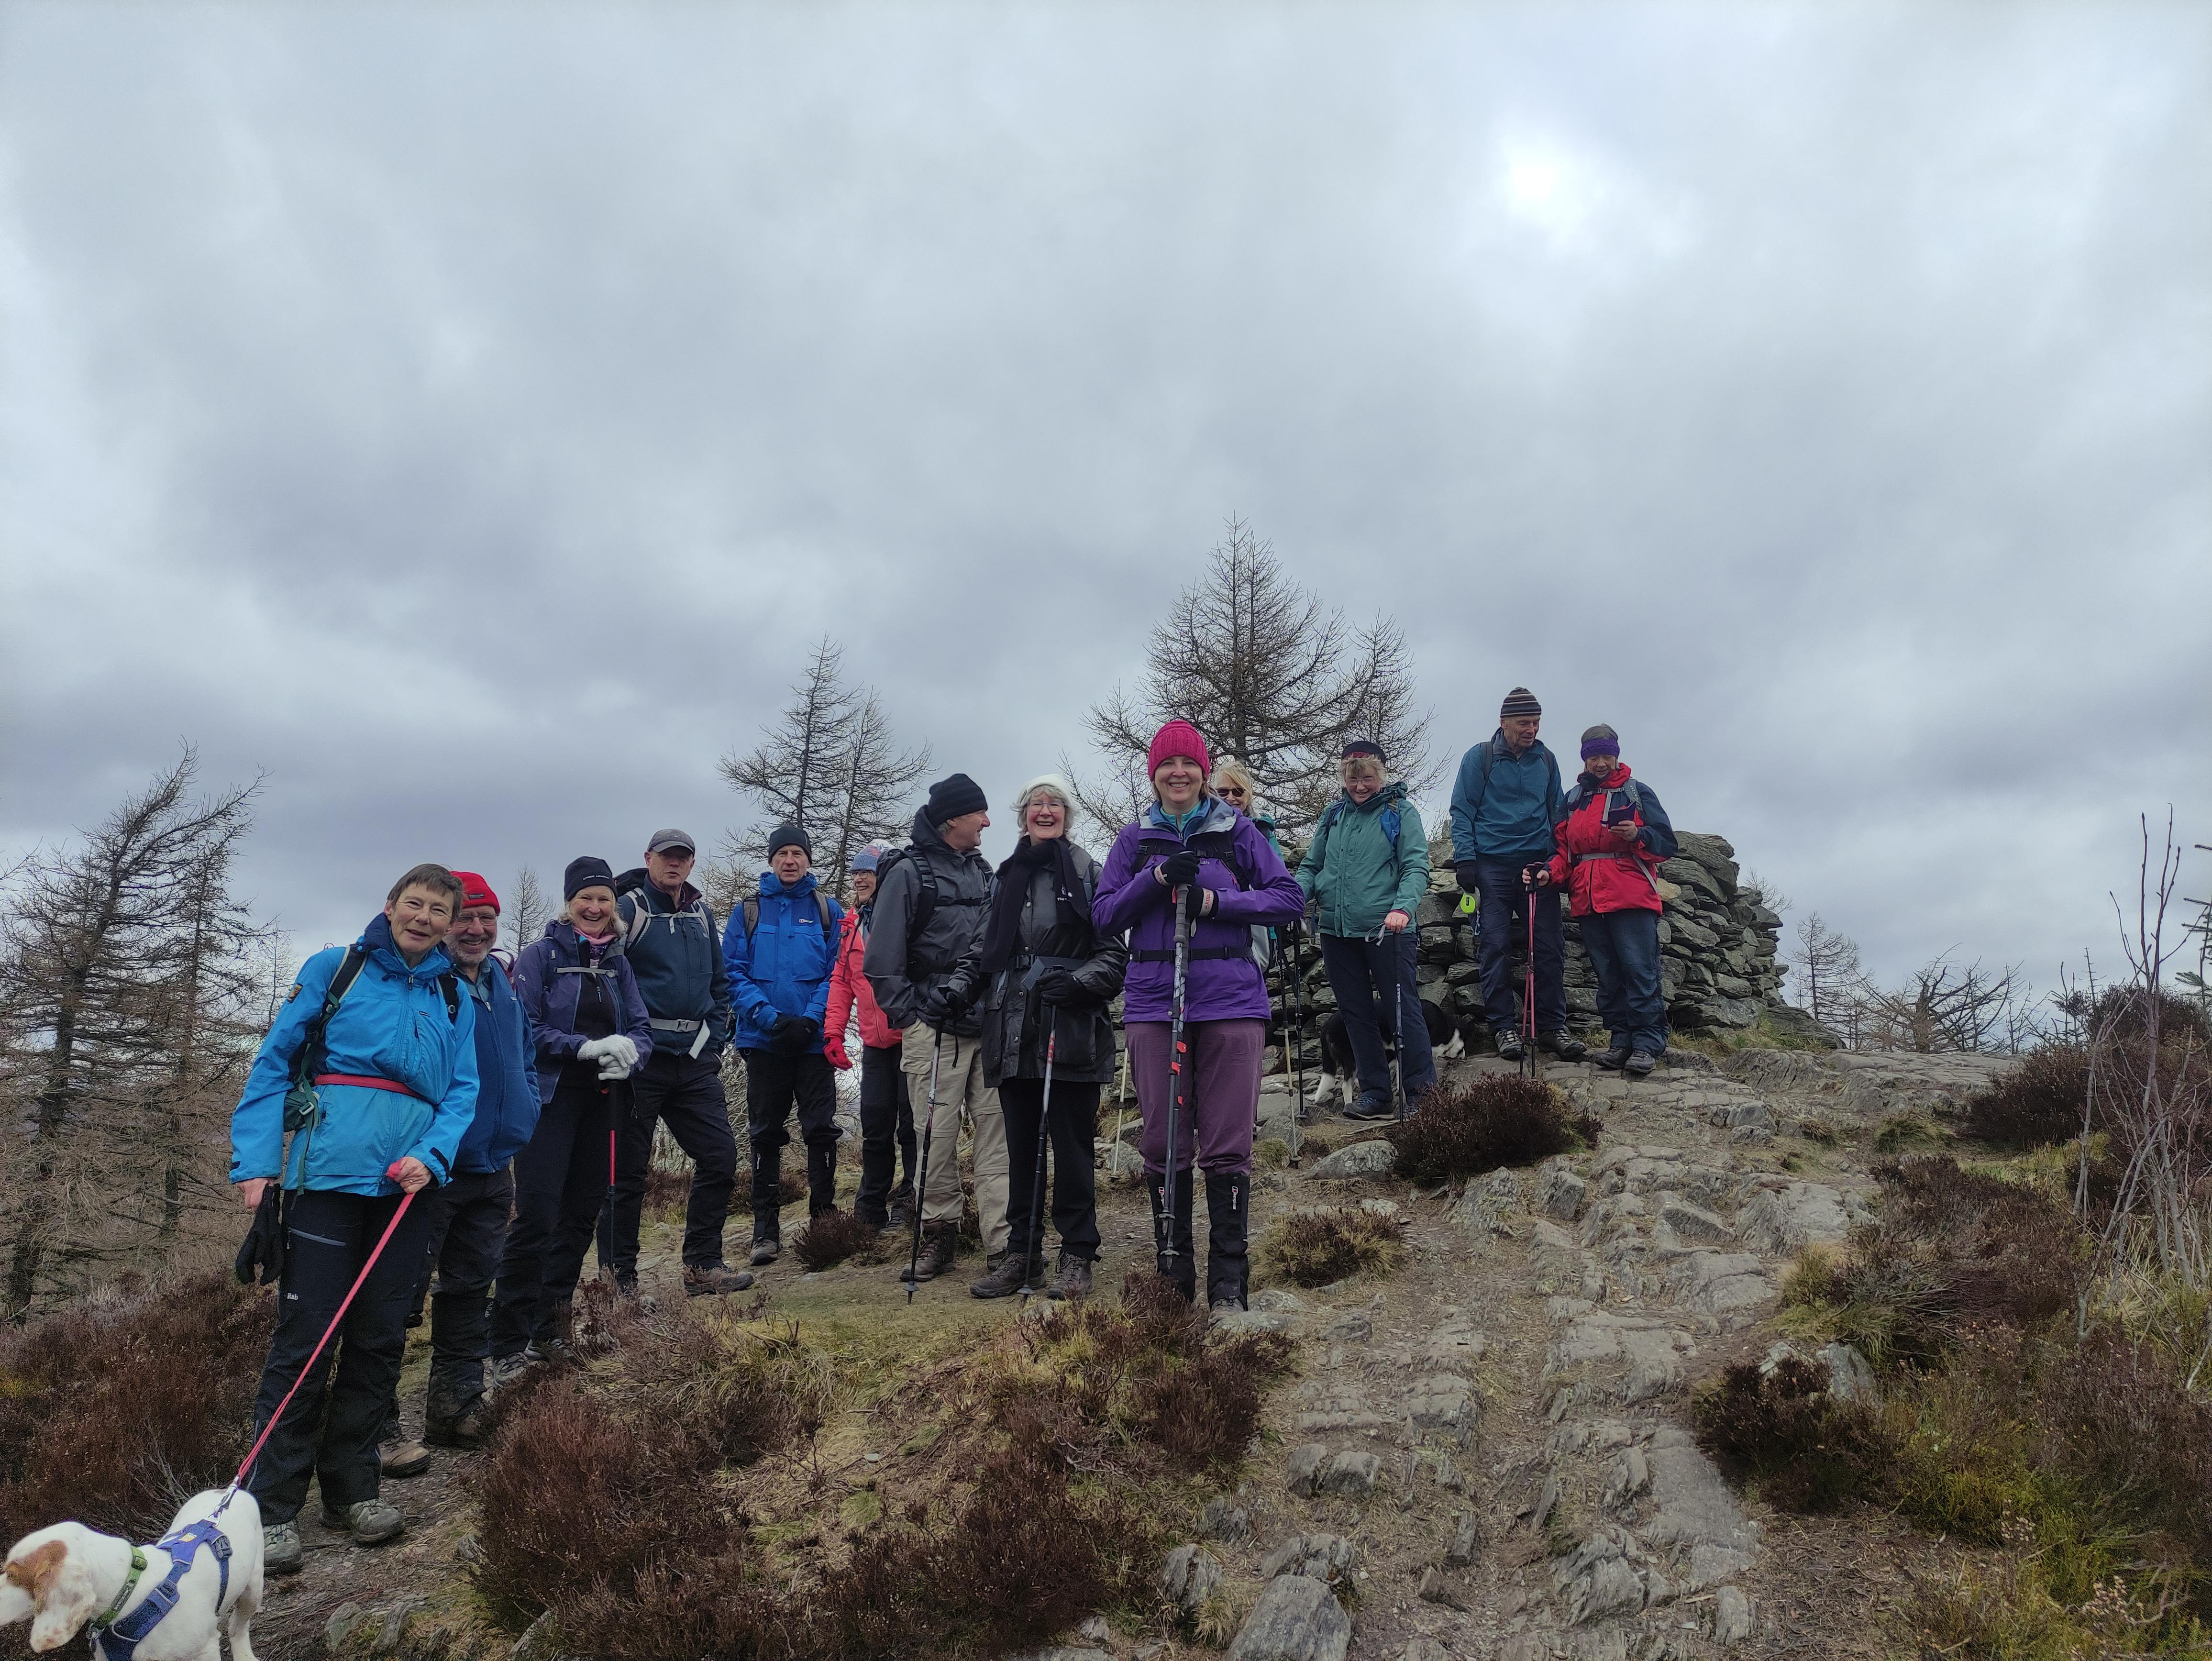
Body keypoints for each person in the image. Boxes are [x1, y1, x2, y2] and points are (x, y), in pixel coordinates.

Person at [230, 864, 480, 1573]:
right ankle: (269, 1509)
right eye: (415, 904)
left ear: (450, 921)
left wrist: (432, 1154)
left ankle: (352, 1491)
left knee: (377, 1340)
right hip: (326, 1177)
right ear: (391, 906)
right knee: (305, 1340)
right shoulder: (335, 970)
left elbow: (462, 1092)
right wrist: (257, 1164)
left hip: (408, 1189)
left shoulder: (454, 997)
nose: (425, 917)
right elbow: (275, 1061)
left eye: (438, 909)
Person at [1093, 721, 1305, 1309]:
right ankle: (1173, 1270)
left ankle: (1228, 1277)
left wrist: (1217, 902)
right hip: (1154, 1004)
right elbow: (1104, 915)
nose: (1179, 774)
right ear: (1153, 774)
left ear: (1204, 772)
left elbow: (1288, 898)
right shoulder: (1134, 839)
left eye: (1189, 764)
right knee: (1163, 1140)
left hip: (1232, 1001)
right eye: (1168, 766)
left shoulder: (1237, 832)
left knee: (1228, 1142)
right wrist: (1156, 878)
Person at [378, 873, 540, 1479]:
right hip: (431, 1169)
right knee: (399, 1296)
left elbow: (523, 1055)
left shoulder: (502, 980)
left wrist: (528, 1103)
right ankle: (378, 1421)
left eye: (486, 917)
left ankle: (455, 1405)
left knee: (471, 1288)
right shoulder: (428, 983)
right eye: (466, 916)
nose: (476, 928)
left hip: (495, 1166)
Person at [953, 775, 1128, 1302]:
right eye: (1036, 803)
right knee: (1020, 1148)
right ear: (1023, 814)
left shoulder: (1088, 872)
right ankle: (1022, 1257)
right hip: (1010, 1029)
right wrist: (958, 988)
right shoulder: (1003, 877)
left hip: (1069, 1029)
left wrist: (1076, 983)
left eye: (1054, 803)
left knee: (1072, 1150)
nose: (1045, 809)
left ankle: (1077, 1255)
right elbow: (981, 951)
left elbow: (1115, 954)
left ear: (1067, 816)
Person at [491, 858, 657, 1378]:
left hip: (604, 1102)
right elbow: (526, 1029)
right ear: (569, 903)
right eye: (585, 897)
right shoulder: (541, 957)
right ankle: (505, 1340)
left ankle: (551, 1326)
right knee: (538, 1214)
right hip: (549, 1099)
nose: (594, 907)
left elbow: (643, 1027)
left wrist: (632, 1051)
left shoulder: (619, 964)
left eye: (604, 899)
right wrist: (583, 1048)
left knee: (582, 1214)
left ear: (614, 906)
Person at [596, 829, 750, 1298]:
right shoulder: (630, 908)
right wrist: (625, 1042)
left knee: (720, 1156)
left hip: (693, 1062)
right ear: (648, 859)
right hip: (641, 1063)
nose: (675, 864)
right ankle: (617, 1279)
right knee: (626, 1172)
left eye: (683, 858)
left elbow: (720, 984)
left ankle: (703, 1266)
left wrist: (714, 1044)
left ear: (691, 864)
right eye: (667, 857)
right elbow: (606, 976)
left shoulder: (701, 914)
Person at [863, 773, 1004, 1285]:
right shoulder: (907, 873)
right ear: (952, 820)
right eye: (979, 814)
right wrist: (912, 1018)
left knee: (997, 1136)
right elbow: (881, 960)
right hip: (932, 1028)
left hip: (985, 1025)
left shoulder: (986, 873)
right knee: (935, 1138)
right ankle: (937, 1235)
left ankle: (1003, 1241)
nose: (988, 822)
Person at [724, 825, 846, 1265]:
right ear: (772, 860)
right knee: (765, 1133)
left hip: (813, 1045)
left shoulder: (827, 910)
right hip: (764, 1041)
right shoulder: (748, 912)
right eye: (783, 854)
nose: (790, 860)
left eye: (798, 853)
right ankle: (765, 1231)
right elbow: (732, 973)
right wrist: (770, 1018)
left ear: (808, 860)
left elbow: (839, 971)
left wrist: (812, 1020)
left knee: (821, 1129)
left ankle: (824, 1223)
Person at [1297, 741, 1436, 1119]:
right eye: (1352, 777)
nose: (1360, 785)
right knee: (1355, 1013)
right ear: (1344, 777)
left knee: (1402, 1009)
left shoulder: (1400, 812)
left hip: (1389, 930)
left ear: (1381, 776)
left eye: (1368, 778)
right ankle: (1376, 1093)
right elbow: (1312, 865)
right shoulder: (1333, 815)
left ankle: (1423, 1095)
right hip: (1336, 931)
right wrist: (1295, 896)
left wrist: (1403, 909)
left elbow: (1416, 866)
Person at [1449, 687, 1586, 1063]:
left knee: (1548, 947)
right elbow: (1461, 810)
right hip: (1491, 867)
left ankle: (1552, 1027)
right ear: (1504, 722)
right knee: (1494, 947)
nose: (1532, 729)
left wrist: (1555, 862)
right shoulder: (1481, 758)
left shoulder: (1547, 760)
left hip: (1536, 868)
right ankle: (1503, 1028)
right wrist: (1466, 861)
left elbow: (1558, 815)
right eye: (1525, 722)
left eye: (1537, 722)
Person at [1544, 725, 1679, 1075]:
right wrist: (1548, 873)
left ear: (1616, 756)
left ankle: (1647, 1044)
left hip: (1630, 895)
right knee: (1607, 975)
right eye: (1593, 757)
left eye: (1606, 756)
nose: (1600, 763)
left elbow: (1666, 844)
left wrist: (1637, 835)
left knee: (1639, 971)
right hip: (1587, 898)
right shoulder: (1573, 799)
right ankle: (1621, 1041)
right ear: (1585, 759)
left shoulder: (1637, 792)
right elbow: (1564, 852)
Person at [826, 842, 916, 1229]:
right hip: (876, 1046)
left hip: (913, 1038)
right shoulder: (853, 924)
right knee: (876, 1126)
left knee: (913, 1127)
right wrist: (833, 1032)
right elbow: (843, 981)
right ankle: (869, 1211)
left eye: (869, 872)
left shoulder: (908, 918)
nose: (860, 878)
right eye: (856, 872)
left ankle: (912, 1203)